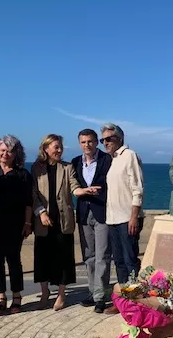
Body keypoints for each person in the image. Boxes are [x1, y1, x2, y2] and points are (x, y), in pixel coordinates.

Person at [32, 134, 91, 311]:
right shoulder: (36, 168)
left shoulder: (67, 167)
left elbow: (73, 186)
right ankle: (44, 294)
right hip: (43, 221)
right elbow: (33, 194)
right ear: (46, 149)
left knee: (63, 259)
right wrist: (41, 212)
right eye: (55, 147)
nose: (59, 150)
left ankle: (61, 294)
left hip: (63, 221)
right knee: (42, 258)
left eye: (60, 147)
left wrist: (82, 191)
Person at [0, 135, 33, 315]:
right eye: (2, 150)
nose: (5, 154)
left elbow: (29, 202)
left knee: (13, 260)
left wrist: (28, 223)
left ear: (16, 153)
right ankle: (1, 297)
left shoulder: (23, 174)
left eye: (9, 151)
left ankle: (17, 296)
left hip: (15, 224)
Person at [99, 123, 145, 314]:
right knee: (118, 260)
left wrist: (134, 216)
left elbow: (138, 188)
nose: (105, 143)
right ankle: (124, 302)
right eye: (103, 140)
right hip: (113, 219)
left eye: (108, 139)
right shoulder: (114, 159)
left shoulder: (129, 155)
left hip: (127, 218)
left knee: (130, 260)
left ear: (120, 138)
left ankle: (135, 301)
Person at [71, 128, 112, 314]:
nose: (87, 145)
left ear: (96, 142)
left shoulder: (107, 160)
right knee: (89, 256)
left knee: (102, 255)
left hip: (102, 212)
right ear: (79, 143)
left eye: (90, 141)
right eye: (83, 142)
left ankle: (101, 296)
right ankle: (92, 292)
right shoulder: (75, 162)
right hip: (83, 213)